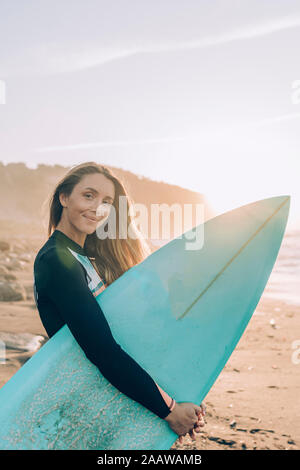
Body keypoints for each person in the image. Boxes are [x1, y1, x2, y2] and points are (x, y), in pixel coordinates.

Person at [33, 161, 206, 444]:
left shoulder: (83, 257)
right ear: (64, 197)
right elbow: (102, 350)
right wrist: (170, 409)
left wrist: (179, 394)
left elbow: (130, 333)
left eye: (106, 202)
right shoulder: (56, 260)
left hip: (111, 392)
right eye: (88, 195)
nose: (97, 208)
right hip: (89, 401)